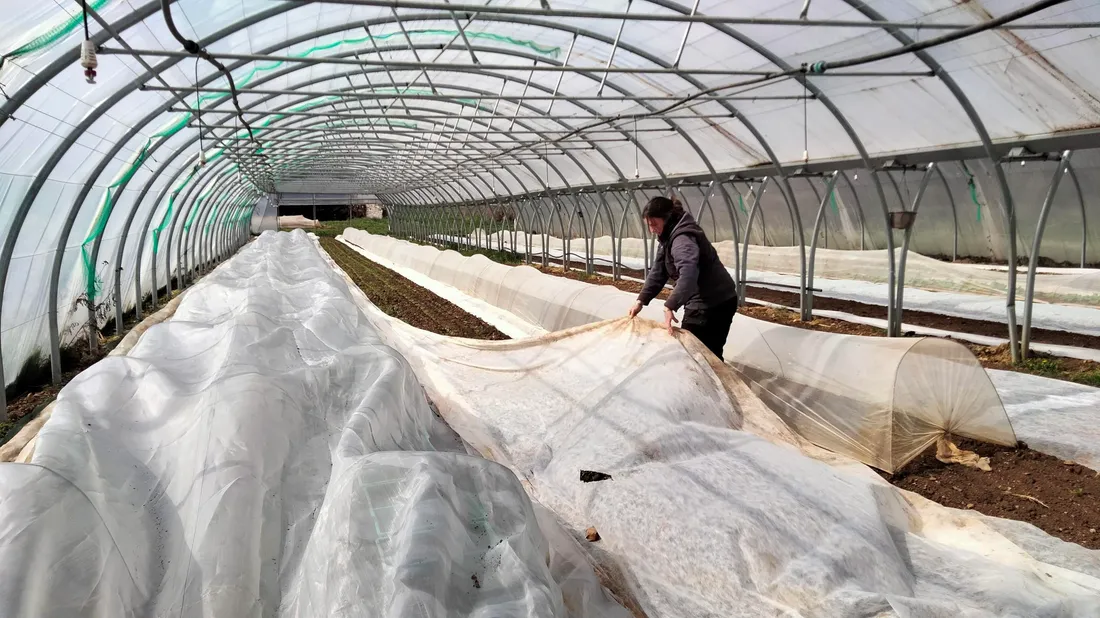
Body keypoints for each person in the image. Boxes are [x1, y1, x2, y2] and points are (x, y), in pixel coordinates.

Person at [627, 196, 739, 360]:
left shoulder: (682, 239)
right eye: (649, 226)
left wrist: (670, 305)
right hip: (719, 298)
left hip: (711, 303)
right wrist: (641, 300)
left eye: (654, 225)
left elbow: (688, 274)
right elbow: (659, 270)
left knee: (694, 355)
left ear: (667, 219)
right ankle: (713, 381)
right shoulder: (669, 236)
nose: (652, 230)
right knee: (708, 355)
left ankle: (708, 384)